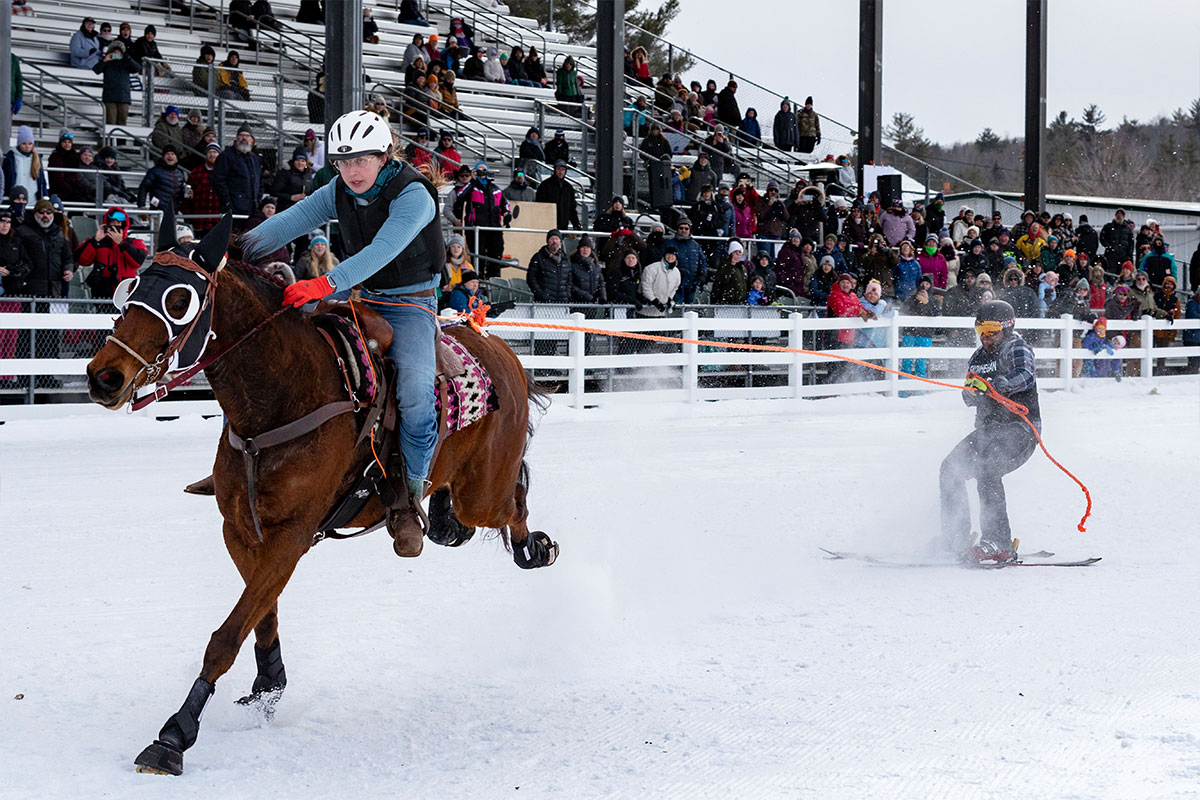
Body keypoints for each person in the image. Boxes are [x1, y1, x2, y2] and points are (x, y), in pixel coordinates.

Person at [239, 110, 445, 557]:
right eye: (342, 162)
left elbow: (383, 250)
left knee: (413, 388)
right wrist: (234, 249)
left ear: (384, 155)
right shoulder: (338, 189)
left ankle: (410, 496)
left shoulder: (414, 195)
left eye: (361, 161)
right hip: (362, 295)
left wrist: (323, 284)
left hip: (411, 304)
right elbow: (287, 223)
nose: (351, 171)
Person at [940, 301, 1041, 563]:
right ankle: (955, 538)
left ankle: (998, 541)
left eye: (992, 330)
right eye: (981, 330)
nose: (985, 336)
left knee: (988, 467)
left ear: (1006, 329)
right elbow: (970, 392)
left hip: (1020, 429)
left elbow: (1026, 375)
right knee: (950, 468)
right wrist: (971, 393)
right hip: (987, 431)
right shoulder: (978, 357)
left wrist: (1001, 385)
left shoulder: (1016, 346)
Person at [73, 206, 145, 299]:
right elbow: (82, 260)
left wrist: (121, 243)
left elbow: (138, 261)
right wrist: (95, 241)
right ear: (107, 224)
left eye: (118, 223)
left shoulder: (134, 243)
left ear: (123, 224)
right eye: (112, 223)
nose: (115, 226)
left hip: (125, 291)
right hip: (102, 292)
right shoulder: (98, 242)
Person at [453, 162, 510, 277]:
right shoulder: (471, 187)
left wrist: (507, 213)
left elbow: (505, 203)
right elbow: (460, 195)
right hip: (476, 228)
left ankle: (493, 281)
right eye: (479, 170)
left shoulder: (495, 188)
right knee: (478, 256)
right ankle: (477, 280)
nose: (482, 173)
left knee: (496, 255)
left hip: (494, 227)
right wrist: (472, 180)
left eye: (484, 170)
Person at [17, 199, 74, 298]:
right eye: (41, 212)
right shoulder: (22, 232)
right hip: (30, 288)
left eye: (48, 212)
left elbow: (68, 258)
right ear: (35, 213)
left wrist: (68, 270)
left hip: (54, 288)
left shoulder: (59, 233)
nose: (45, 215)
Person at [213, 124, 262, 223]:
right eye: (241, 135)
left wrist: (258, 197)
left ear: (251, 139)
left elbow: (260, 180)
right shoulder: (226, 156)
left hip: (252, 207)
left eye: (247, 136)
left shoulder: (255, 159)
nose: (244, 138)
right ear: (236, 138)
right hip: (233, 208)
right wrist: (227, 201)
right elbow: (218, 180)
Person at [93, 42, 140, 124]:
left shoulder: (126, 62)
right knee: (111, 121)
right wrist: (105, 60)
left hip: (123, 96)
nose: (117, 54)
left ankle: (120, 137)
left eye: (119, 52)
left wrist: (128, 59)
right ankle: (110, 137)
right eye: (114, 52)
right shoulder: (107, 63)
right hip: (110, 97)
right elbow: (96, 70)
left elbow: (137, 68)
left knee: (122, 122)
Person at [137, 145, 187, 215]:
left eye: (172, 154)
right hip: (157, 212)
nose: (170, 156)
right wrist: (141, 205)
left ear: (176, 158)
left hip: (174, 212)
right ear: (163, 157)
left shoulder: (180, 173)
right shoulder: (154, 171)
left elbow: (181, 193)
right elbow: (143, 188)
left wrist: (187, 194)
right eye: (167, 154)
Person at [526, 229, 570, 302]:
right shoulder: (538, 257)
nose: (554, 241)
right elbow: (531, 277)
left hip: (562, 301)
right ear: (547, 241)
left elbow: (569, 280)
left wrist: (567, 294)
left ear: (560, 242)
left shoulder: (565, 260)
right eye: (552, 239)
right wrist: (541, 294)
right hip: (544, 303)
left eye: (557, 239)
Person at [534, 161, 580, 231]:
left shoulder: (568, 187)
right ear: (554, 170)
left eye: (563, 170)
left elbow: (572, 208)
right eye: (558, 169)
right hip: (547, 224)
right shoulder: (545, 185)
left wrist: (576, 224)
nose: (560, 172)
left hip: (563, 225)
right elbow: (539, 205)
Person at [272, 147, 314, 212]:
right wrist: (291, 197)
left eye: (303, 161)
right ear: (293, 161)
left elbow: (311, 191)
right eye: (297, 160)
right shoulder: (285, 173)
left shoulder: (308, 175)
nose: (300, 163)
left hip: (303, 209)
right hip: (286, 209)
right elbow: (274, 192)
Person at [711, 240, 748, 305]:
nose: (738, 254)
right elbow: (724, 280)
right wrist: (731, 265)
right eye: (735, 252)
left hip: (740, 302)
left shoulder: (742, 267)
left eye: (739, 252)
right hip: (728, 302)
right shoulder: (724, 265)